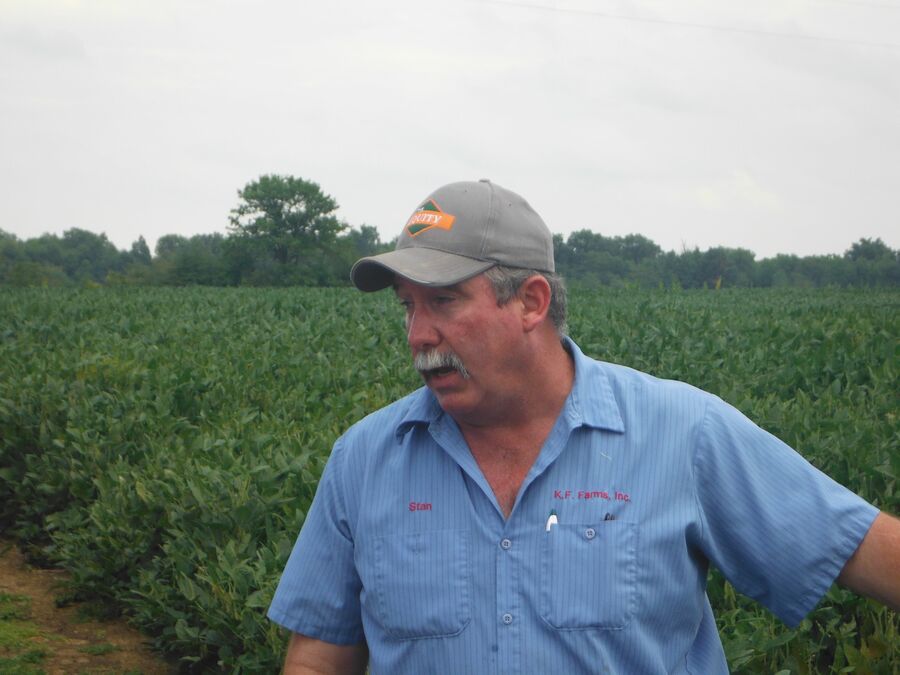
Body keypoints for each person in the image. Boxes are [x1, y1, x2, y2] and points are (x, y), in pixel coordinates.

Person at [267, 179, 899, 674]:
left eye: (443, 302)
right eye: (407, 307)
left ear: (531, 302)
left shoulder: (683, 434)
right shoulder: (364, 459)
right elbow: (319, 658)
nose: (418, 335)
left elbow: (861, 550)